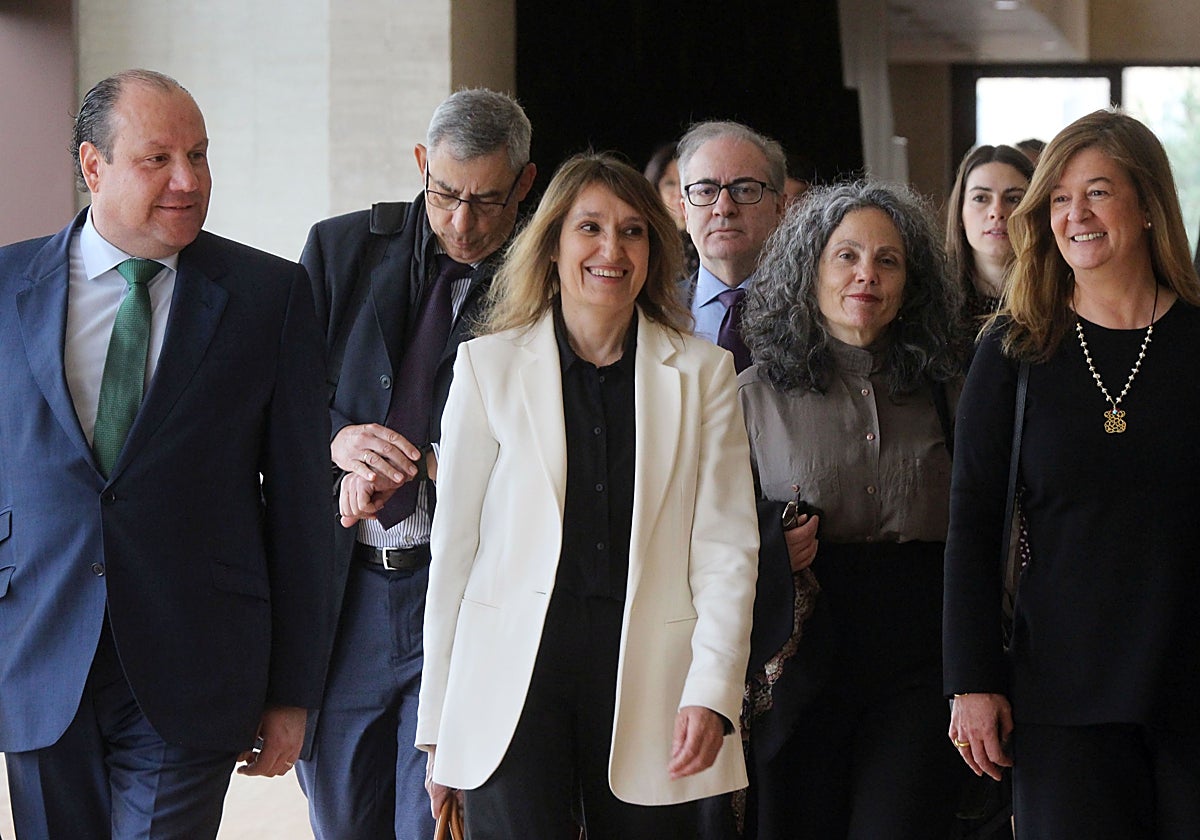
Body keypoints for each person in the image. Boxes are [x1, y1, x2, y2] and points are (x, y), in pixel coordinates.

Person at [0, 69, 332, 837]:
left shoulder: (268, 296)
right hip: (38, 650)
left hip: (198, 661)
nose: (188, 180)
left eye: (200, 155)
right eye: (158, 159)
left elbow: (300, 508)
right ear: (93, 166)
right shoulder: (9, 285)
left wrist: (292, 692)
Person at [415, 152, 760, 839]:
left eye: (633, 231)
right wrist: (439, 729)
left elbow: (726, 550)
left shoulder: (704, 373)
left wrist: (713, 691)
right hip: (510, 685)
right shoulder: (486, 367)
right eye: (590, 228)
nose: (612, 249)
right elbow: (454, 552)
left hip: (654, 679)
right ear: (552, 246)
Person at [945, 109, 1200, 838]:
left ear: (1148, 206)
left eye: (1097, 192)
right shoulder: (1014, 349)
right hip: (1058, 695)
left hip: (1190, 684)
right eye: (1058, 198)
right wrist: (971, 681)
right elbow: (972, 523)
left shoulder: (1194, 341)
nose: (1074, 215)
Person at [295, 89, 537, 839]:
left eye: (487, 202)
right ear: (421, 165)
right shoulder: (340, 250)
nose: (462, 223)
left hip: (462, 593)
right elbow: (276, 403)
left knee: (430, 822)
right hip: (348, 597)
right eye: (445, 195)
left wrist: (441, 464)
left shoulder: (545, 283)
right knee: (341, 821)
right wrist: (336, 443)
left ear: (525, 186)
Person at [733, 180, 967, 838]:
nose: (867, 274)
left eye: (888, 260)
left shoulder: (952, 390)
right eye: (847, 256)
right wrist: (770, 545)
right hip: (800, 650)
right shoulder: (748, 398)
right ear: (808, 270)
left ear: (911, 281)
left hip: (921, 655)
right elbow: (707, 537)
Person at [677, 120, 787, 372]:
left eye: (744, 190)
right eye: (706, 191)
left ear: (780, 208)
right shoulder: (652, 313)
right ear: (685, 212)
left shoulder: (819, 310)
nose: (724, 208)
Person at [946, 144, 1035, 320]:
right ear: (959, 212)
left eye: (1014, 199)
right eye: (980, 198)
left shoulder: (1061, 296)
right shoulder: (931, 296)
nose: (997, 212)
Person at [644, 141, 699, 276]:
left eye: (686, 182)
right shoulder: (647, 242)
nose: (679, 193)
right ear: (656, 190)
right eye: (670, 184)